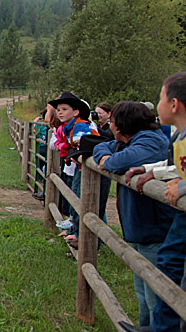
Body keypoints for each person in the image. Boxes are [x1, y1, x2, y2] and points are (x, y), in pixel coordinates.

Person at [93, 101, 177, 328]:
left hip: (154, 227)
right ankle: (145, 326)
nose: (110, 125)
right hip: (141, 227)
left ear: (122, 124)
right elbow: (101, 147)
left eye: (112, 121)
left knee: (154, 291)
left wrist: (109, 161)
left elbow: (119, 161)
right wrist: (106, 158)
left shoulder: (151, 141)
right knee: (142, 287)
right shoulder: (133, 141)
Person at [119, 71, 186, 332]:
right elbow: (174, 166)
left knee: (170, 266)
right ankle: (161, 327)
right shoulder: (179, 136)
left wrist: (181, 187)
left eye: (160, 97)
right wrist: (151, 171)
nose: (156, 105)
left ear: (173, 104)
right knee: (168, 263)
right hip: (181, 216)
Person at [48, 92, 99, 247]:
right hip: (79, 166)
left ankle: (80, 236)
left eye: (64, 109)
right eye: (58, 110)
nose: (60, 112)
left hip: (86, 168)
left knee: (81, 198)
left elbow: (81, 141)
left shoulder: (80, 125)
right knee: (75, 197)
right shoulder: (67, 127)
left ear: (76, 112)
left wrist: (73, 145)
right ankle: (74, 231)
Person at [32, 108, 48, 201]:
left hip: (42, 147)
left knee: (41, 167)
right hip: (45, 148)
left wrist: (35, 122)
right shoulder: (50, 126)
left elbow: (34, 131)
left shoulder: (41, 125)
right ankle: (42, 186)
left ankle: (41, 183)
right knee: (44, 167)